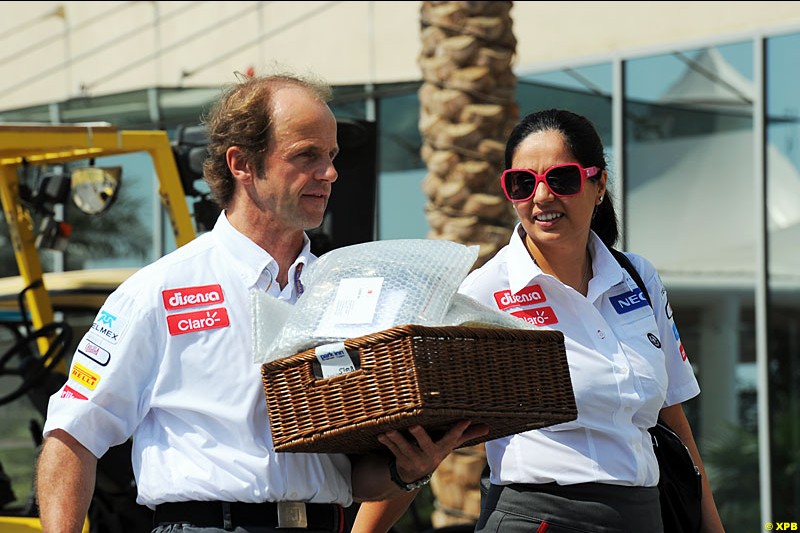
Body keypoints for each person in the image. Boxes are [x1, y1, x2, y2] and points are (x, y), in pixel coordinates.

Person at [34, 71, 487, 533]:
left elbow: (356, 477)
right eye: (306, 155)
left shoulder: (353, 293)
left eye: (331, 156)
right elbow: (73, 435)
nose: (329, 173)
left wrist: (406, 470)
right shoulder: (158, 291)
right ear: (241, 163)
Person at [354, 108, 725, 533]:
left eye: (561, 179)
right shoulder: (484, 295)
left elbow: (675, 426)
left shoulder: (638, 278)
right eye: (523, 183)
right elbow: (429, 440)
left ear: (599, 184)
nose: (542, 197)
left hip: (644, 516)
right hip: (536, 519)